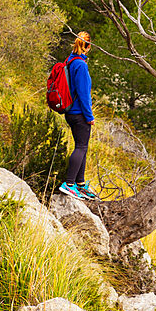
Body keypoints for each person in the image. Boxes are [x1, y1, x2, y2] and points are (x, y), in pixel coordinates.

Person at [58, 31, 100, 200]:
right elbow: (83, 93)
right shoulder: (81, 65)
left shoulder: (69, 61)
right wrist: (89, 116)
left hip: (69, 111)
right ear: (88, 47)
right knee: (81, 147)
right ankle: (69, 184)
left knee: (81, 146)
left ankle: (80, 184)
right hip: (79, 113)